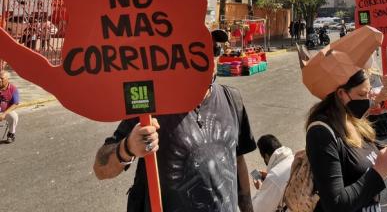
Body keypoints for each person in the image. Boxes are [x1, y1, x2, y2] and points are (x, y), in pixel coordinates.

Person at [93, 29, 257, 212]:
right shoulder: (151, 104)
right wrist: (127, 148)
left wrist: (247, 207)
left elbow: (238, 158)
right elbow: (100, 168)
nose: (208, 58)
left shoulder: (232, 99)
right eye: (197, 51)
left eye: (214, 50)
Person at [306, 69, 387, 212]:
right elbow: (335, 204)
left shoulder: (353, 119)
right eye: (362, 94)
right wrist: (378, 172)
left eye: (369, 93)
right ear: (341, 94)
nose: (367, 100)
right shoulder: (321, 134)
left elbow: (368, 161)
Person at [252, 135, 294, 212]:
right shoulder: (293, 158)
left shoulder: (274, 177)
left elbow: (256, 209)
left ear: (267, 156)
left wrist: (261, 188)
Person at [0, 70, 20, 143]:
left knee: (14, 116)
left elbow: (16, 103)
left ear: (7, 79)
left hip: (5, 111)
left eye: (2, 78)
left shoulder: (13, 89)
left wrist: (4, 114)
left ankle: (11, 134)